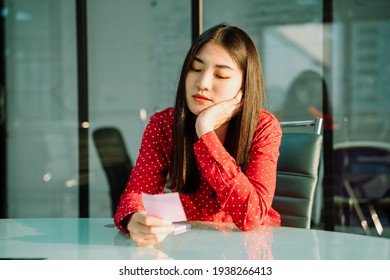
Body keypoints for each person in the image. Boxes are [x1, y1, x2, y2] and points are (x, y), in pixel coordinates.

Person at [114, 23, 282, 246]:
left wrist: (205, 131)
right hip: (186, 245)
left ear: (244, 85)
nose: (202, 83)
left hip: (249, 248)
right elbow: (137, 193)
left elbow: (251, 217)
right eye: (195, 68)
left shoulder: (263, 127)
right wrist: (135, 218)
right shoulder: (163, 124)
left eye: (221, 76)